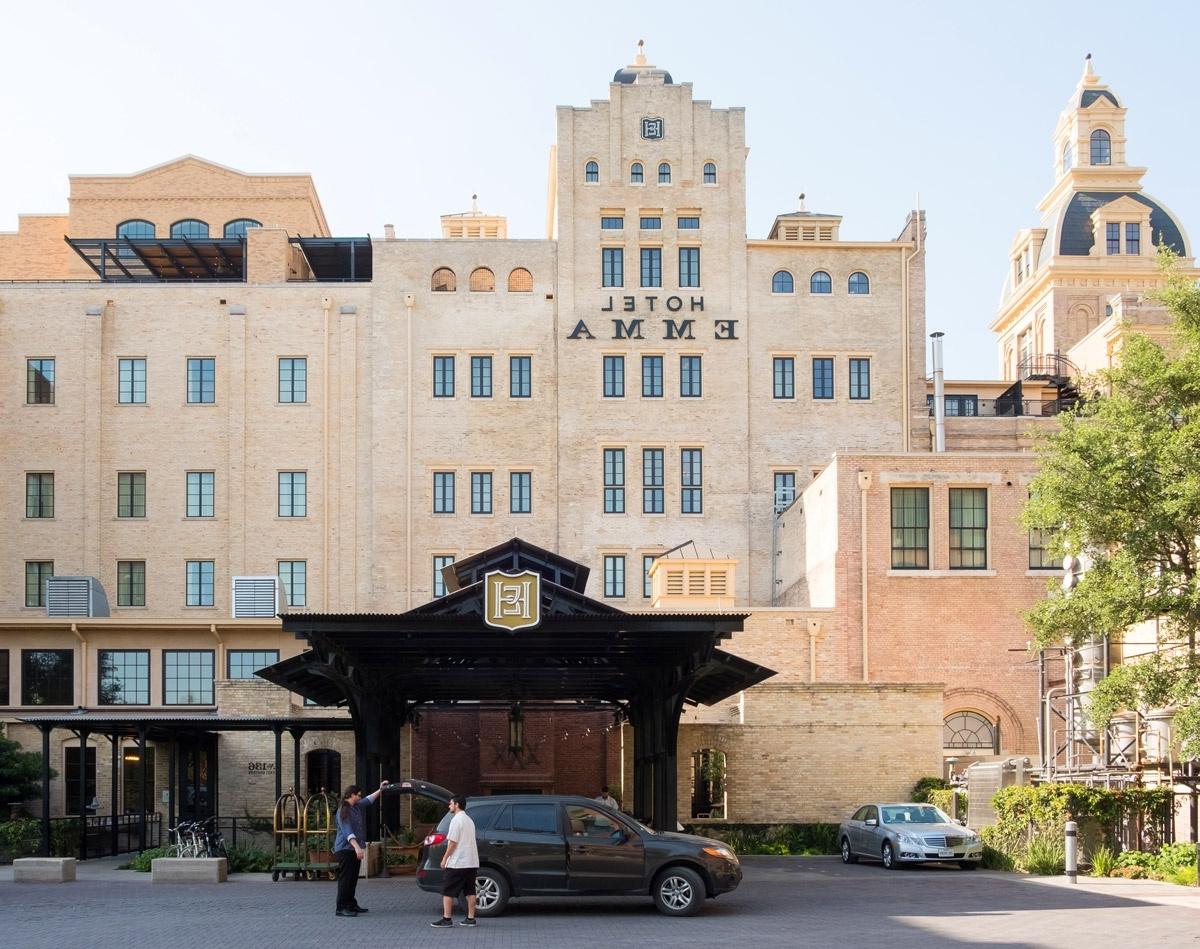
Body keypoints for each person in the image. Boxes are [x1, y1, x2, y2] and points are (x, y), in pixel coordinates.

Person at [333, 779, 387, 918]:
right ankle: (341, 907)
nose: (360, 797)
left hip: (353, 850)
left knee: (352, 879)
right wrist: (357, 848)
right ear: (351, 795)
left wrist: (380, 790)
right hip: (345, 850)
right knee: (346, 879)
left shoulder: (356, 807)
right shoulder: (342, 811)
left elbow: (369, 800)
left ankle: (351, 904)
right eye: (358, 795)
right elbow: (347, 832)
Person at [431, 794, 479, 928]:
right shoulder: (469, 820)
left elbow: (452, 843)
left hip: (458, 862)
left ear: (457, 805)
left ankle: (447, 919)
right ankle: (470, 918)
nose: (449, 806)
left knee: (447, 891)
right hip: (472, 861)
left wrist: (444, 858)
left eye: (451, 804)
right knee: (470, 891)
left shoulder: (456, 820)